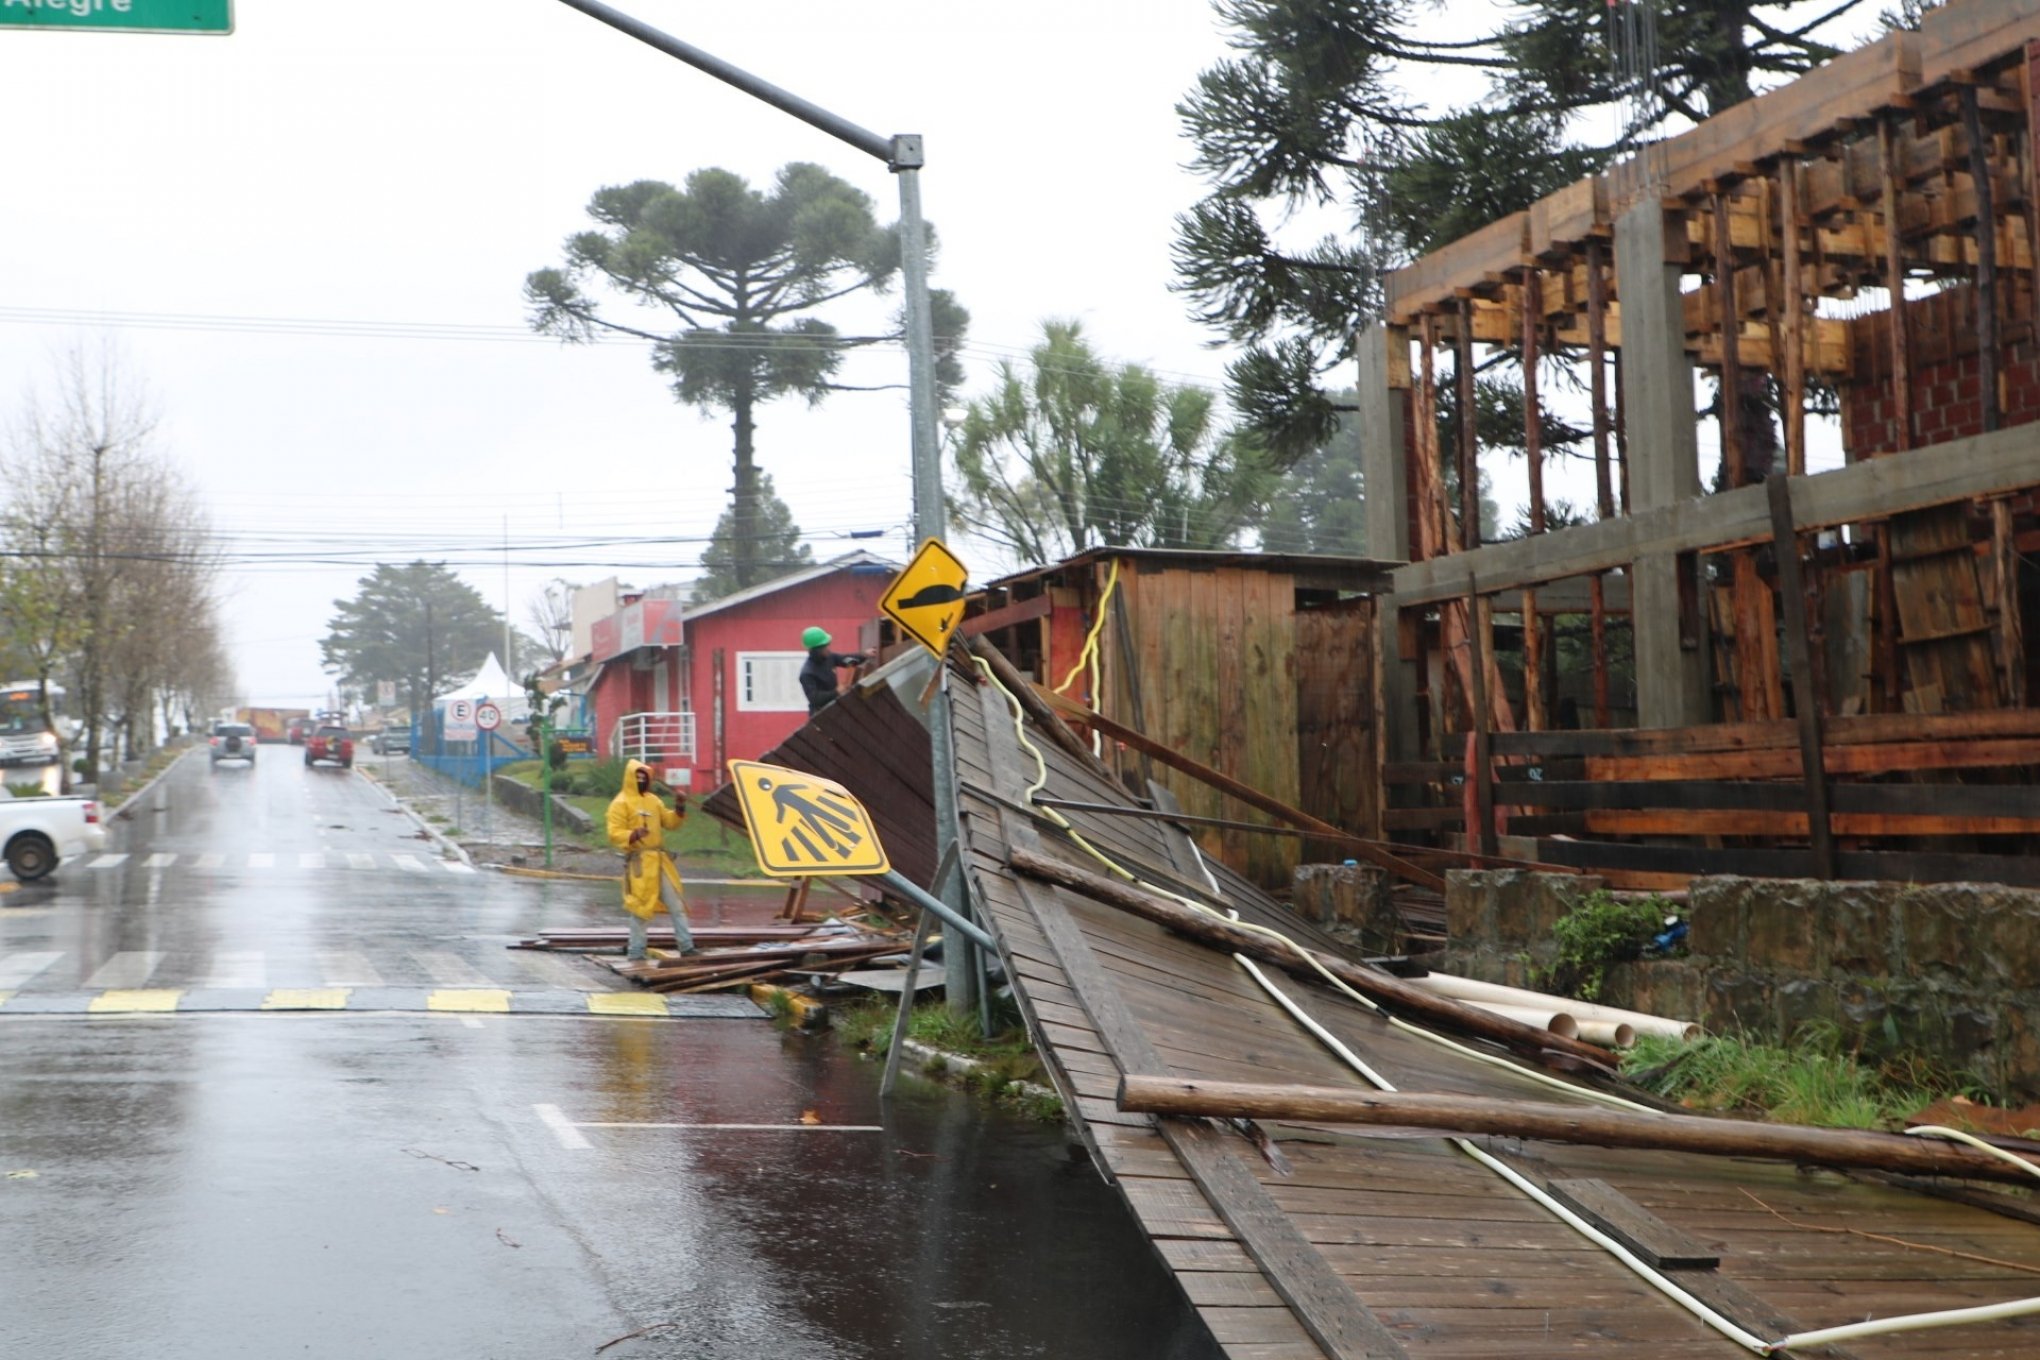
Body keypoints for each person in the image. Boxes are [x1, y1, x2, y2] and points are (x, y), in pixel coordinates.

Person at [605, 758, 694, 960]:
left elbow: (670, 823)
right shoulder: (620, 803)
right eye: (637, 777)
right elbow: (614, 833)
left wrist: (679, 807)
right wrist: (634, 834)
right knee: (640, 908)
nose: (640, 780)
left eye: (643, 777)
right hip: (640, 865)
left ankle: (686, 946)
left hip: (661, 861)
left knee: (676, 905)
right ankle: (636, 951)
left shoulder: (654, 801)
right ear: (629, 778)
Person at [799, 625, 869, 714]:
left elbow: (845, 659)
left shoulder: (829, 657)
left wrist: (864, 655)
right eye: (825, 647)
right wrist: (836, 692)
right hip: (820, 715)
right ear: (816, 650)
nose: (828, 649)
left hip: (833, 707)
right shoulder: (807, 673)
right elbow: (815, 698)